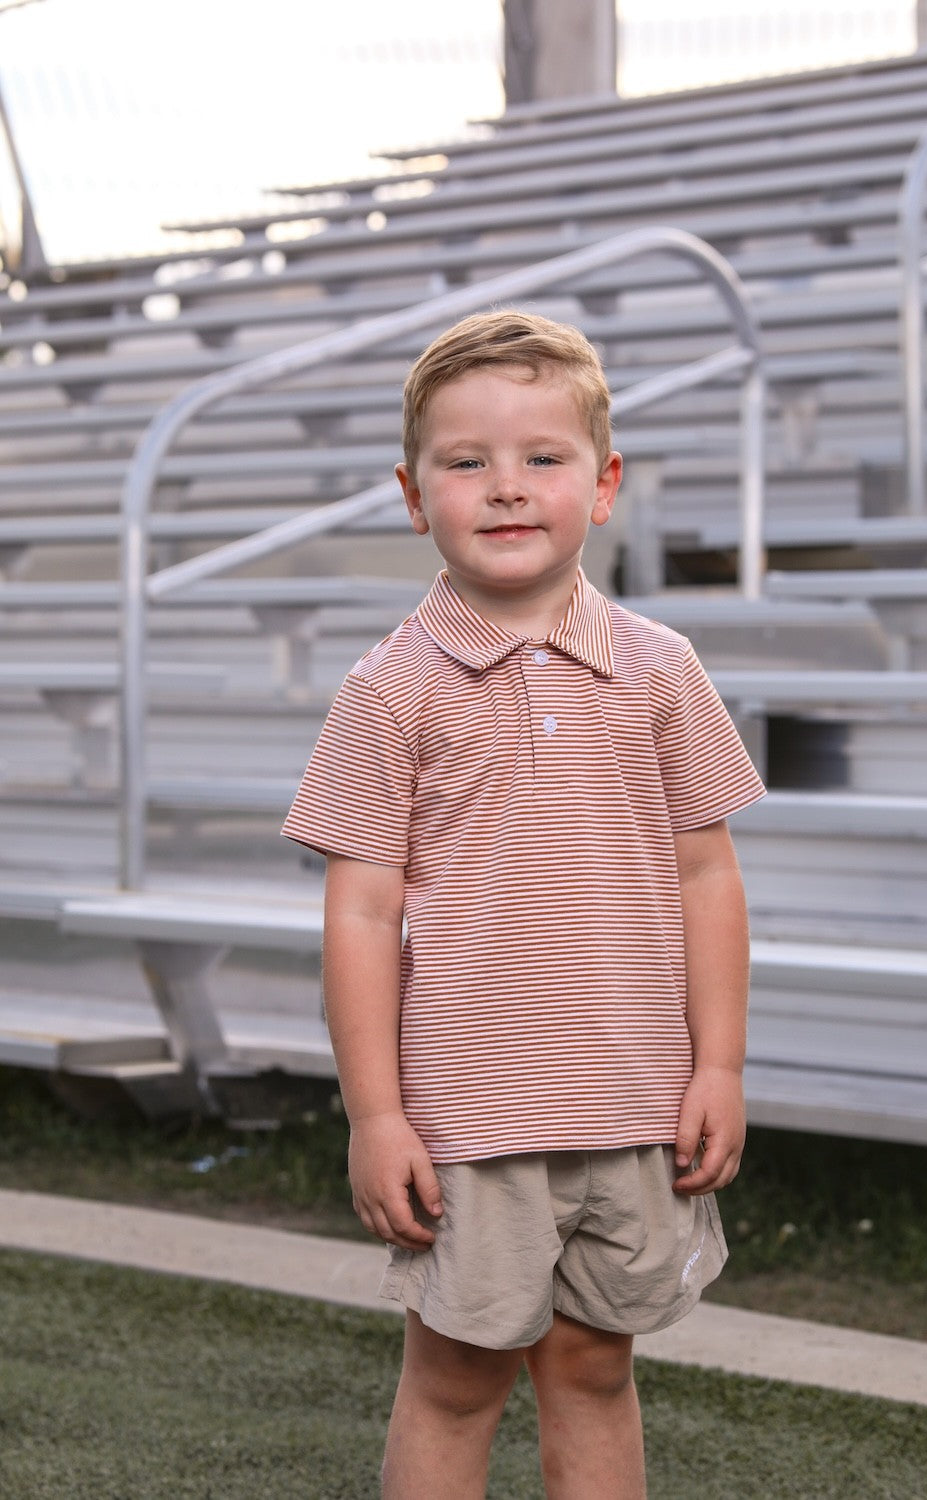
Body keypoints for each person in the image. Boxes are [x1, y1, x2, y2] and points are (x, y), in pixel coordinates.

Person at [282, 309, 766, 1499]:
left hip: (630, 1100)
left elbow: (707, 877)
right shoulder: (386, 690)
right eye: (466, 462)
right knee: (454, 1382)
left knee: (596, 1369)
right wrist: (375, 1115)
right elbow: (355, 917)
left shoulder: (661, 669)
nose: (506, 488)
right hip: (467, 1118)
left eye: (541, 459)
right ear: (413, 495)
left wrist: (720, 1068)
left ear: (602, 486)